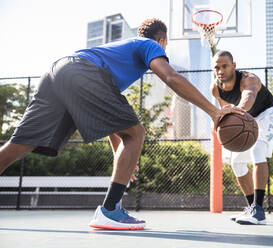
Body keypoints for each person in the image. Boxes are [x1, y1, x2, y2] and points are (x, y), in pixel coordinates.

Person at [0, 19, 244, 230]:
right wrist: (214, 111)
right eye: (165, 45)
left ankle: (111, 208)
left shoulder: (120, 54)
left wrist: (122, 154)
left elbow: (109, 120)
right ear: (162, 40)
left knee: (21, 143)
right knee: (137, 133)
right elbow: (171, 77)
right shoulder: (149, 45)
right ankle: (110, 211)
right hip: (83, 72)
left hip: (59, 70)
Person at [211, 50, 273, 225]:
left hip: (268, 113)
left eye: (225, 66)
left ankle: (259, 209)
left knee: (258, 149)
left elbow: (248, 99)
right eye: (217, 67)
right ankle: (252, 208)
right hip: (247, 120)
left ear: (234, 66)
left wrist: (238, 111)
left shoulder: (249, 79)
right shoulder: (216, 89)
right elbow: (227, 111)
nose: (220, 71)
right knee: (236, 162)